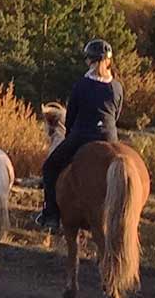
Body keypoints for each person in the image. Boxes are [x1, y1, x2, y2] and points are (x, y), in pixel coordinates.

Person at [35, 40, 123, 231]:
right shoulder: (116, 87)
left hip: (82, 135)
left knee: (50, 167)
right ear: (108, 61)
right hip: (110, 138)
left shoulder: (81, 85)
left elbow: (71, 116)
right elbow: (116, 115)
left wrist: (71, 132)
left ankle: (51, 214)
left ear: (89, 61)